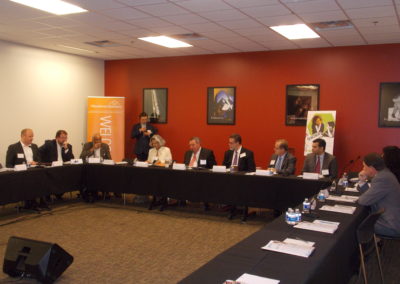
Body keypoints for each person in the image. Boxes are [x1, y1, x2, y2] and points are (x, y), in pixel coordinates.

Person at [5, 128, 50, 211]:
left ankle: (42, 202)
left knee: (44, 176)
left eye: (32, 136)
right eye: (30, 136)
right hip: (21, 175)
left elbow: (39, 160)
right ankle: (31, 203)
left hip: (34, 172)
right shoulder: (13, 147)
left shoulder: (34, 146)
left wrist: (36, 162)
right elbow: (8, 164)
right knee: (30, 180)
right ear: (22, 136)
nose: (32, 138)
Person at [358, 153, 400, 237]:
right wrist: (362, 181)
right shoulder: (385, 174)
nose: (363, 169)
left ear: (371, 168)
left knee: (356, 225)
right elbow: (371, 195)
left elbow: (363, 201)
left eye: (364, 166)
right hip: (392, 220)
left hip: (391, 225)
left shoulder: (382, 178)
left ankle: (368, 249)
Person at [222, 134, 256, 221]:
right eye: (229, 143)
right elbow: (224, 166)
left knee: (241, 189)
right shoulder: (228, 153)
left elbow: (252, 169)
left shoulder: (248, 153)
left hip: (243, 180)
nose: (229, 145)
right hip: (230, 179)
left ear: (238, 143)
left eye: (231, 143)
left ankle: (244, 212)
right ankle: (232, 210)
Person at [39, 130, 74, 201]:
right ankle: (48, 195)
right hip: (51, 168)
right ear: (56, 138)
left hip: (62, 168)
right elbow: (39, 151)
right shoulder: (49, 144)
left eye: (66, 138)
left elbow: (71, 159)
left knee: (70, 176)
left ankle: (59, 194)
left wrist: (66, 149)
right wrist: (41, 163)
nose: (64, 140)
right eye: (62, 138)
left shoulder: (68, 146)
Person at [183, 137, 217, 209]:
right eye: (190, 145)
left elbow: (213, 167)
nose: (191, 147)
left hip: (201, 177)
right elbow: (185, 165)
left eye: (193, 145)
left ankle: (205, 202)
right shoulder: (188, 153)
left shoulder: (207, 153)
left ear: (198, 144)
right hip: (187, 176)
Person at [80, 134, 112, 202]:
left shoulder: (105, 146)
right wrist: (92, 149)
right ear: (92, 140)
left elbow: (109, 158)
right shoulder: (87, 145)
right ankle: (91, 192)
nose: (98, 142)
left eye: (99, 140)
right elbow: (82, 156)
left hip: (101, 167)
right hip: (90, 167)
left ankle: (104, 192)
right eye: (96, 140)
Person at [147, 135, 172, 211]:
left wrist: (161, 162)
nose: (155, 145)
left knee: (161, 182)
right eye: (153, 143)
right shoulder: (151, 151)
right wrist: (146, 162)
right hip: (153, 172)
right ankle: (154, 200)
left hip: (163, 173)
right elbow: (149, 161)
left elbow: (169, 161)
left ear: (160, 142)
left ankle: (163, 201)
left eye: (157, 143)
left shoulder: (166, 149)